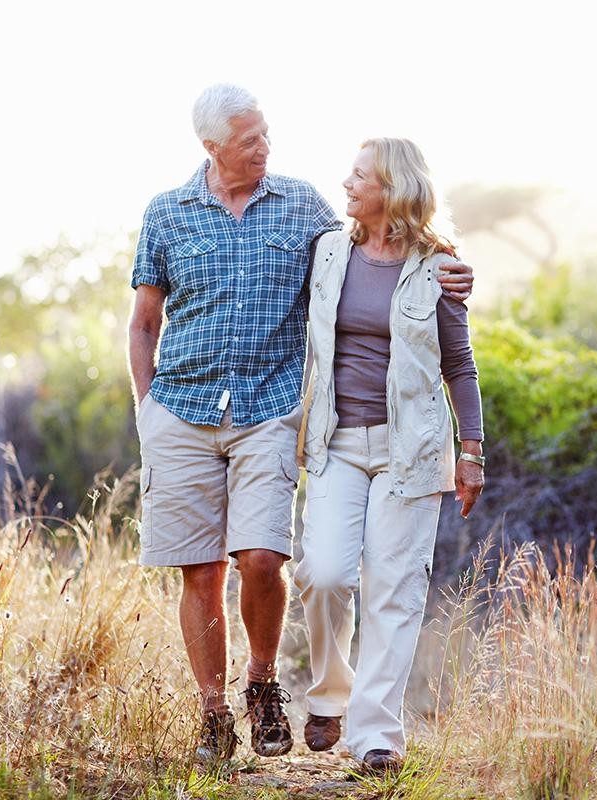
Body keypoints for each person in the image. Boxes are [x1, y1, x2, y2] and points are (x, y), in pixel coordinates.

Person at [127, 86, 473, 763]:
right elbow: (143, 323)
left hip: (269, 411)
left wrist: (447, 270)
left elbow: (378, 251)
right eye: (249, 140)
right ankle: (212, 711)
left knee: (262, 559)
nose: (264, 147)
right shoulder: (166, 214)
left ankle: (263, 684)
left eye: (265, 134)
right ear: (212, 147)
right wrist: (147, 409)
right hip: (182, 411)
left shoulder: (302, 204)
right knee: (201, 573)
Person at [293, 137, 485, 774]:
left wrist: (471, 450)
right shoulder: (327, 252)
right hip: (337, 442)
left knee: (394, 591)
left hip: (412, 449)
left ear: (392, 189)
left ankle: (376, 735)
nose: (346, 184)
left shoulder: (437, 266)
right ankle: (328, 694)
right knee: (323, 573)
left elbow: (459, 363)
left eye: (359, 176)